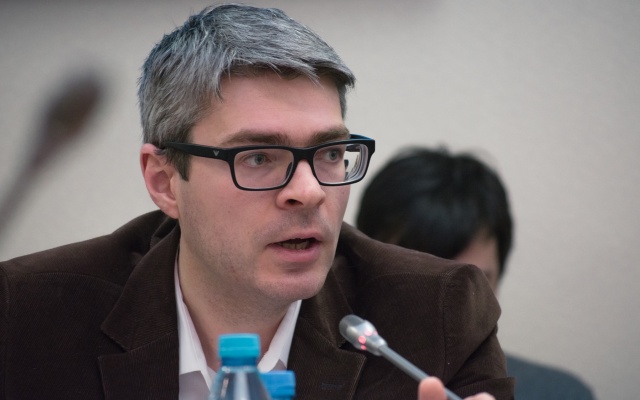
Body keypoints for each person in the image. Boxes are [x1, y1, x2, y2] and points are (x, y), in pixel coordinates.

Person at [0, 5, 513, 400]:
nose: (309, 191)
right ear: (165, 182)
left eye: (330, 153)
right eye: (259, 157)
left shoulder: (436, 315)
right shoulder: (27, 316)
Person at [357, 146, 595, 400]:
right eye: (422, 283)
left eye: (474, 285)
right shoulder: (327, 385)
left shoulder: (559, 393)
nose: (448, 313)